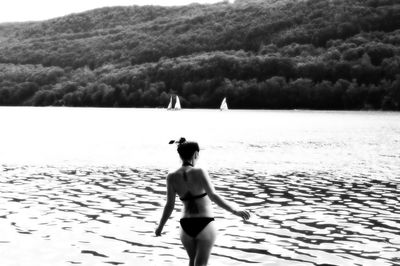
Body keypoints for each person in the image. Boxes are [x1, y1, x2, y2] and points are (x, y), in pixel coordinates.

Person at [155, 137, 250, 266]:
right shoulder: (199, 171)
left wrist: (160, 227)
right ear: (195, 154)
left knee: (192, 262)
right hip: (204, 223)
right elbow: (213, 196)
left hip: (185, 226)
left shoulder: (171, 176)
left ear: (180, 155)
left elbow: (169, 205)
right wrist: (235, 210)